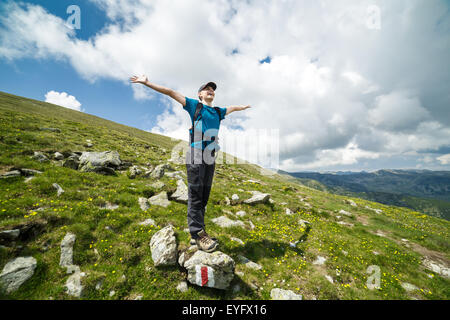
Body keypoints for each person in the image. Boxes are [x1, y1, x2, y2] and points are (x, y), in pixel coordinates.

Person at [130, 75, 251, 252]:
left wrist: (243, 107)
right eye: (207, 89)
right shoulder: (195, 105)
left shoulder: (217, 112)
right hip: (195, 153)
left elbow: (232, 108)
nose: (211, 90)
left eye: (213, 89)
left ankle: (198, 234)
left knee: (204, 195)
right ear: (200, 94)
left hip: (210, 155)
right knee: (195, 194)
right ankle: (199, 234)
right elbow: (171, 92)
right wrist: (147, 83)